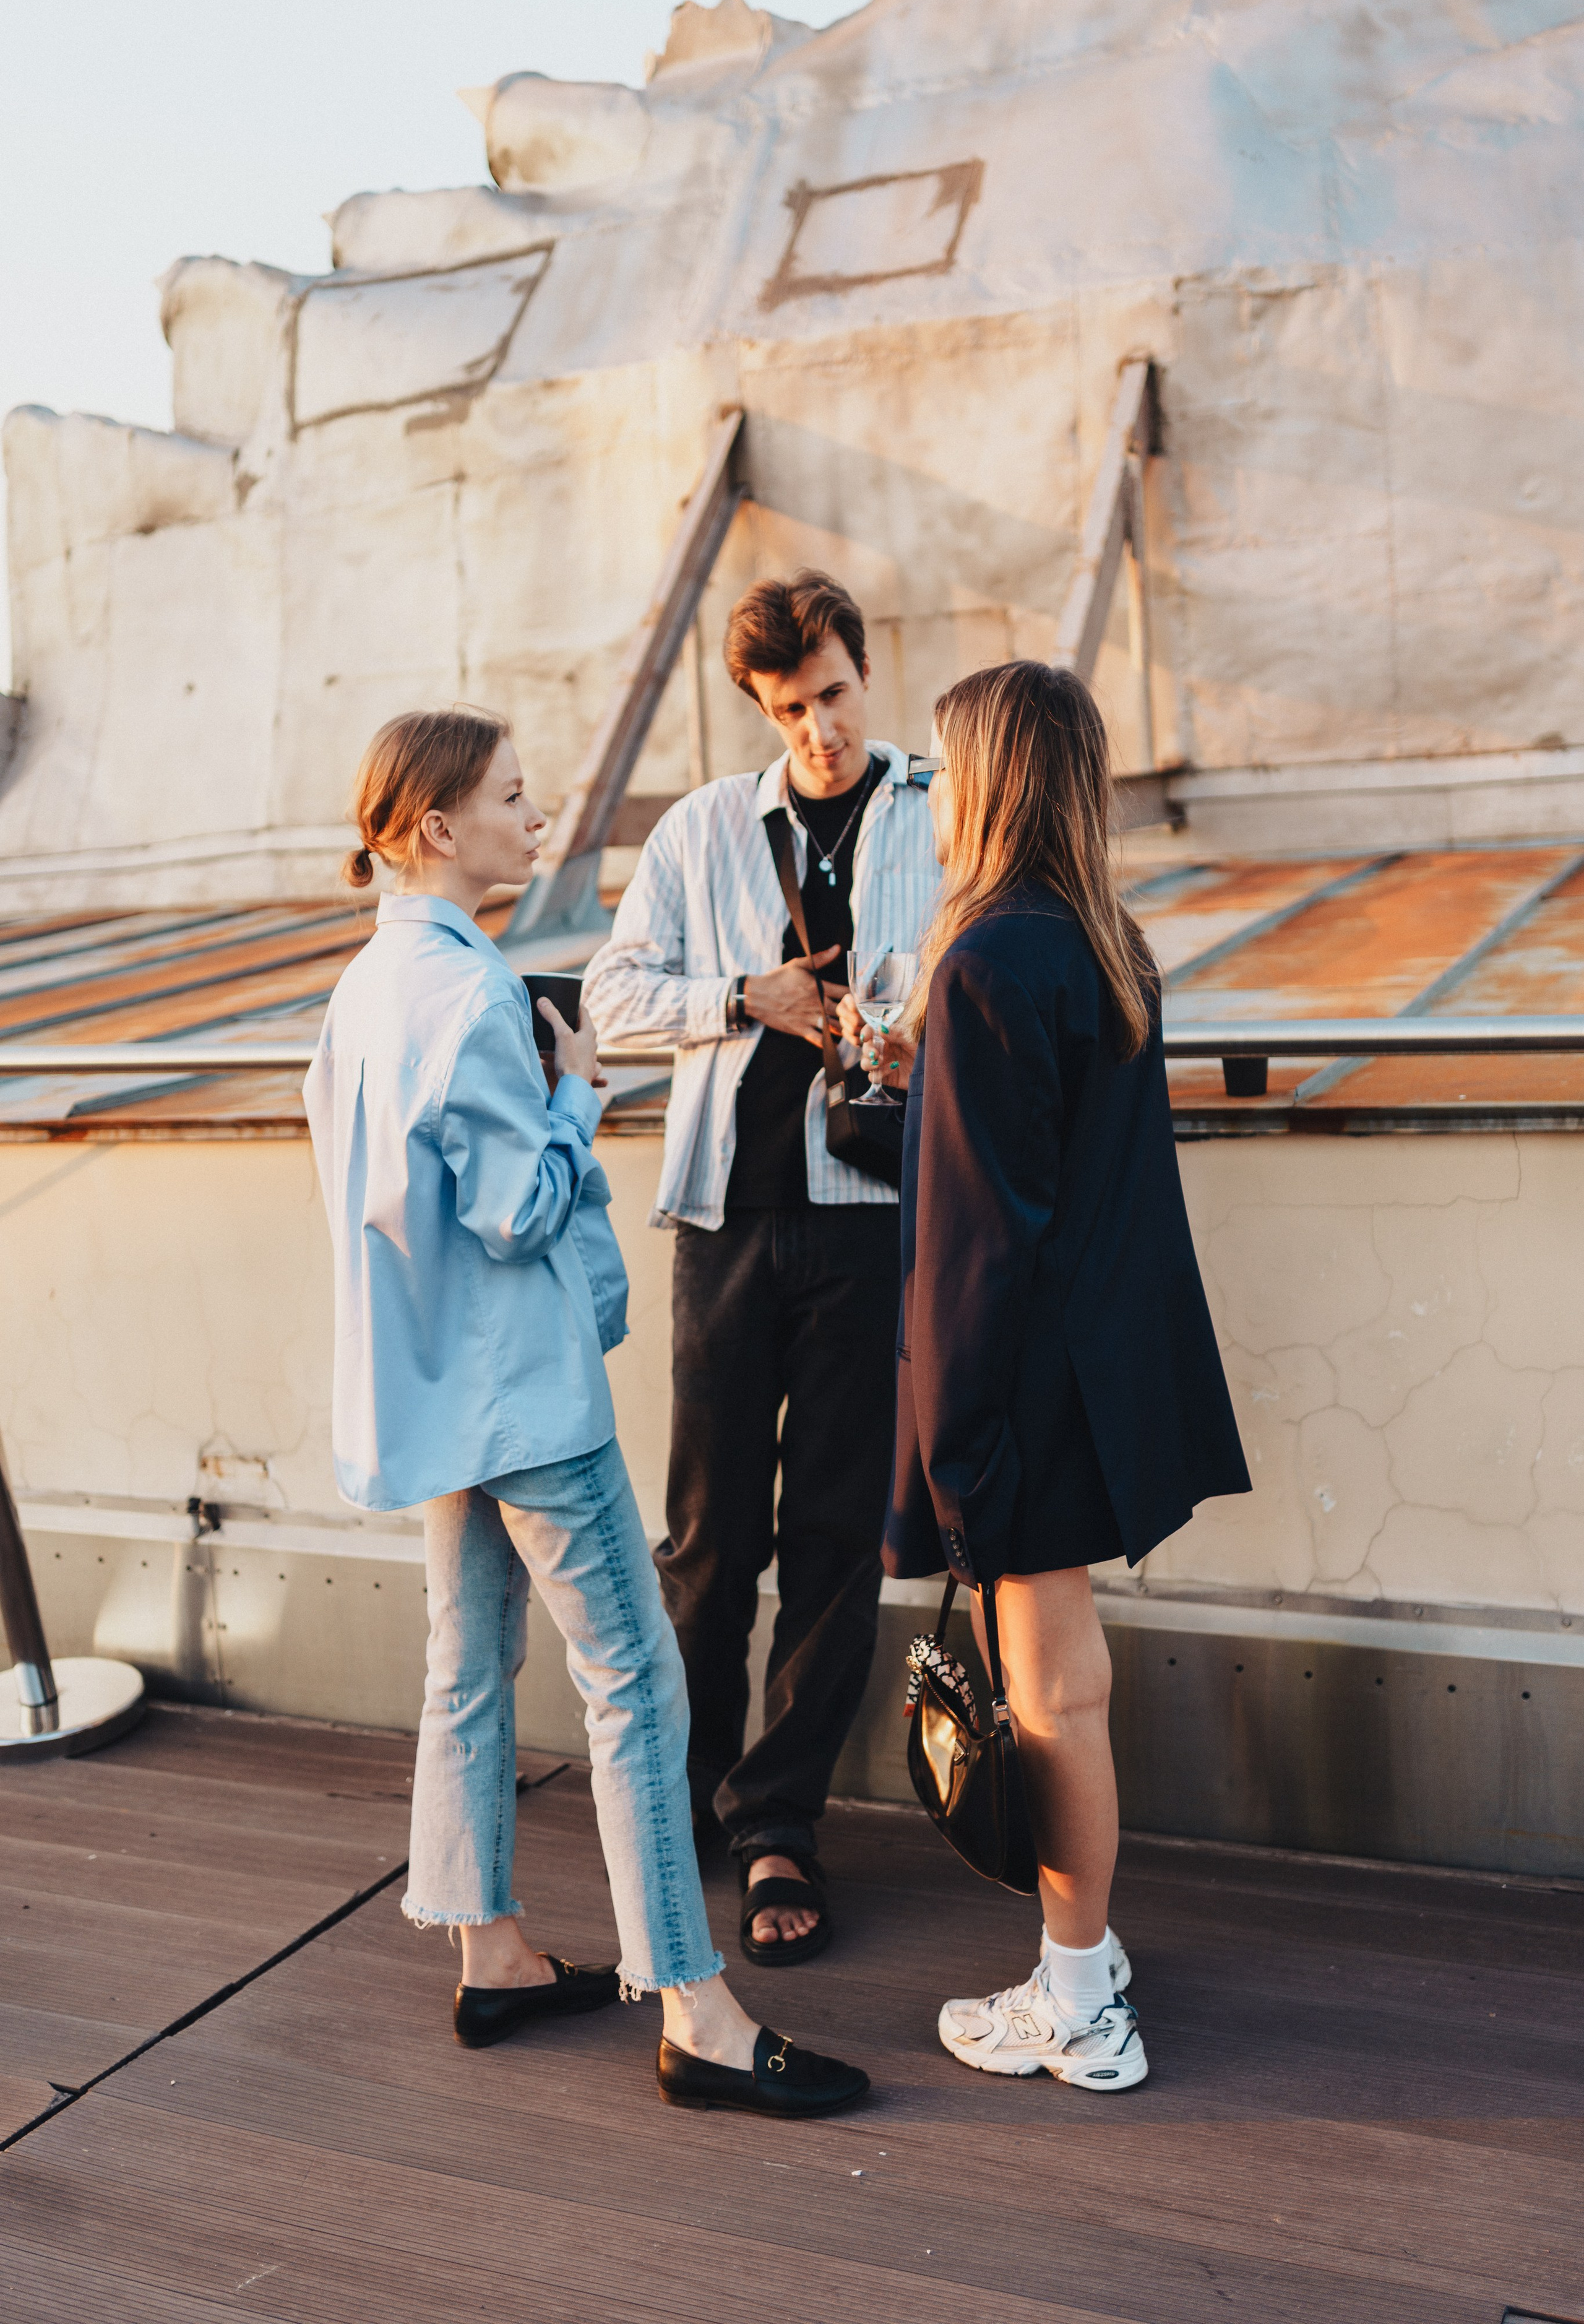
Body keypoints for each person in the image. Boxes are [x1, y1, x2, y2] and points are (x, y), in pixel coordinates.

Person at [302, 704, 867, 2118]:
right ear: (437, 826)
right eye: (511, 796)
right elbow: (518, 1209)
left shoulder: (366, 987)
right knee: (637, 1685)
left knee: (466, 1663)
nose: (537, 815)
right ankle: (696, 2011)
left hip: (434, 1390)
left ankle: (489, 1951)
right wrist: (572, 1095)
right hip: (526, 1398)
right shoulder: (471, 996)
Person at [858, 660, 1249, 2091]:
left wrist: (954, 1454)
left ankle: (1079, 2000)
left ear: (987, 780)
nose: (928, 795)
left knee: (1050, 1698)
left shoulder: (980, 962)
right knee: (1064, 1687)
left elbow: (975, 1250)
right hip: (1098, 1381)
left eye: (939, 768)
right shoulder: (1100, 943)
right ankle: (1085, 1957)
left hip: (1021, 1395)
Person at [581, 571, 939, 1964]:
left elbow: (987, 979)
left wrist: (915, 1032)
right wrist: (746, 996)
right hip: (725, 1221)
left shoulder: (942, 810)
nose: (819, 731)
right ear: (760, 708)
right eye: (789, 710)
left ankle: (780, 1825)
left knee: (838, 1540)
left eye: (833, 696)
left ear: (865, 671)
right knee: (709, 1536)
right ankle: (684, 1800)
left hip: (871, 1219)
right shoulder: (702, 828)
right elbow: (610, 996)